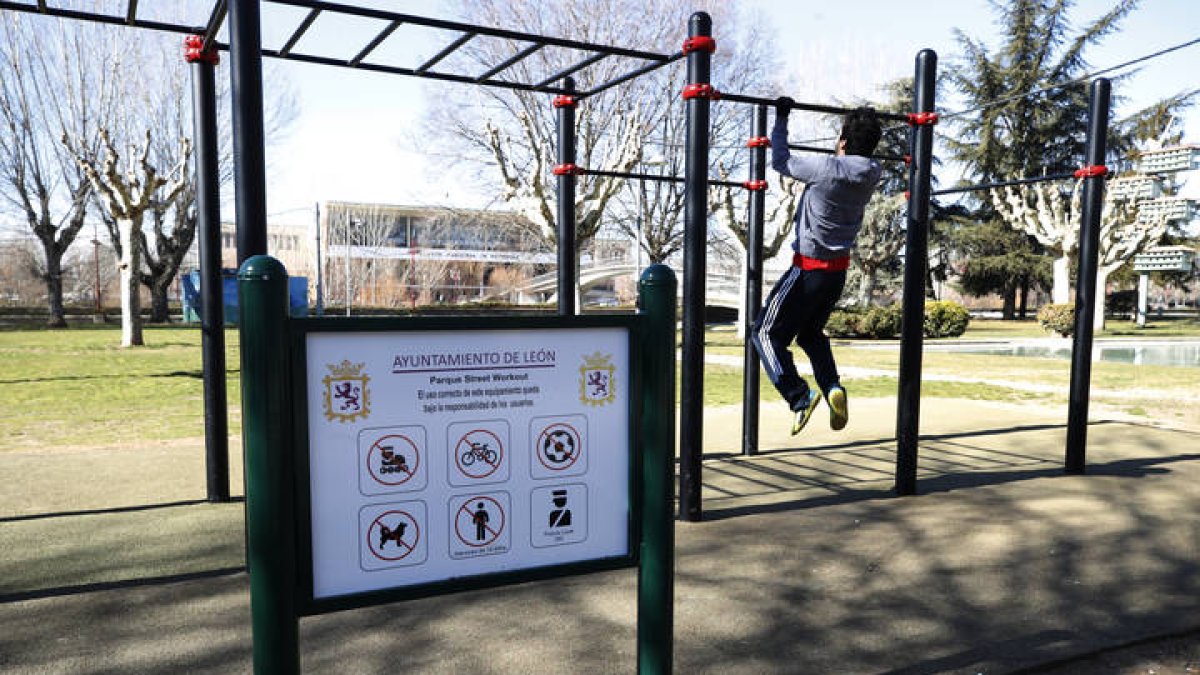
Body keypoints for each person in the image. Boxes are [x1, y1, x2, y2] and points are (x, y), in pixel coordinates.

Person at [751, 97, 883, 435]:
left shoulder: (826, 168)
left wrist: (781, 117)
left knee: (763, 333)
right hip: (836, 274)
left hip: (807, 271)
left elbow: (780, 160)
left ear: (843, 142)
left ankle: (799, 396)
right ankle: (832, 386)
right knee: (810, 335)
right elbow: (852, 159)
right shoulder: (873, 172)